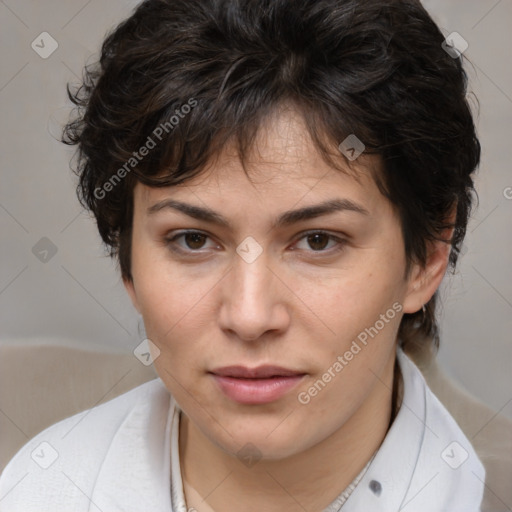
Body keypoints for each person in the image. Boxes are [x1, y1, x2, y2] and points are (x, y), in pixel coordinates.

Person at [0, 0, 487, 510]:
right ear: (127, 258)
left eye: (318, 240)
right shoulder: (40, 489)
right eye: (192, 240)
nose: (250, 317)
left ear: (427, 256)